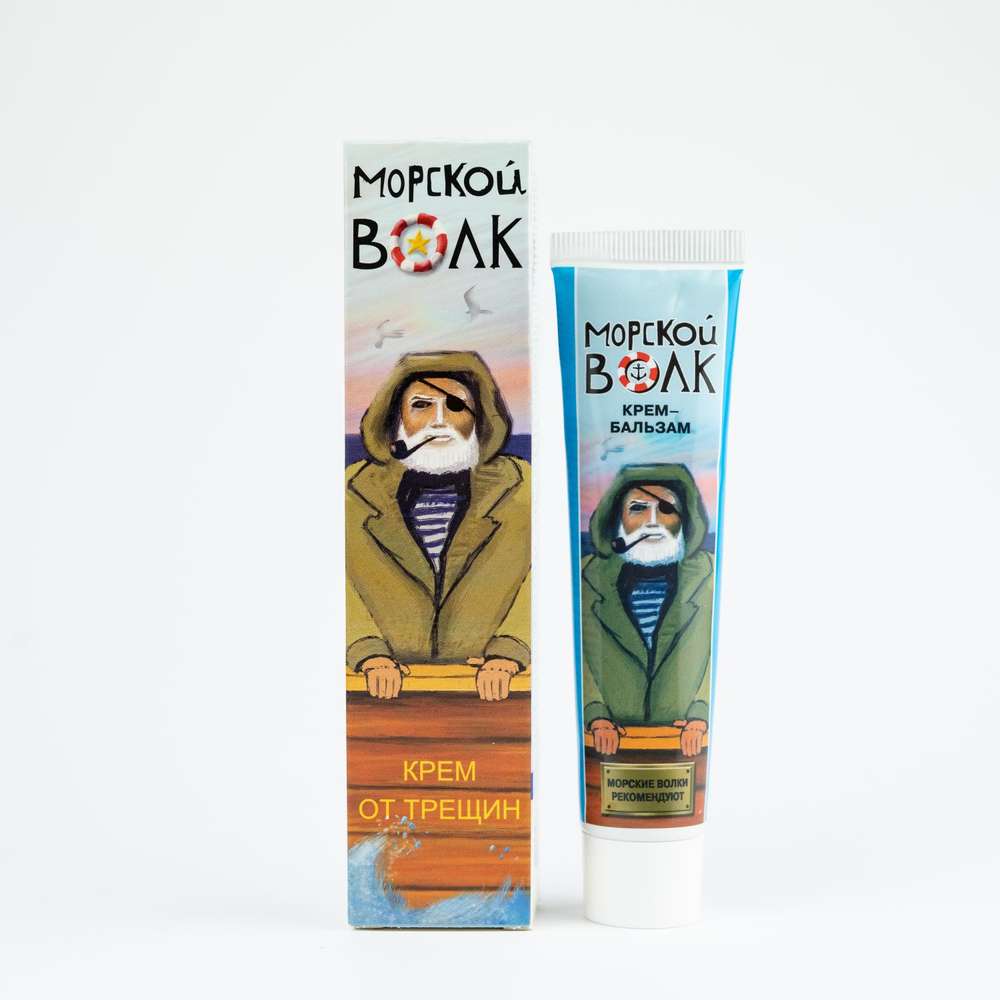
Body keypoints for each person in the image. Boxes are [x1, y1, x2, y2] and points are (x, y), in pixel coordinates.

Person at [346, 351, 530, 701]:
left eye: (456, 407)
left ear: (480, 418)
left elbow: (540, 580)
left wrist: (510, 651)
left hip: (497, 693)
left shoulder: (523, 487)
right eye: (421, 406)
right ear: (395, 418)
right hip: (376, 694)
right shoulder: (352, 490)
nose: (440, 421)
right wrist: (367, 651)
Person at [581, 464, 713, 758]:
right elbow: (578, 658)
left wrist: (701, 715)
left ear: (685, 520)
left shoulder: (712, 577)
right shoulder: (586, 578)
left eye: (666, 509)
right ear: (616, 519)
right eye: (638, 508)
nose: (652, 522)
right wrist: (595, 715)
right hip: (604, 746)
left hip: (685, 745)